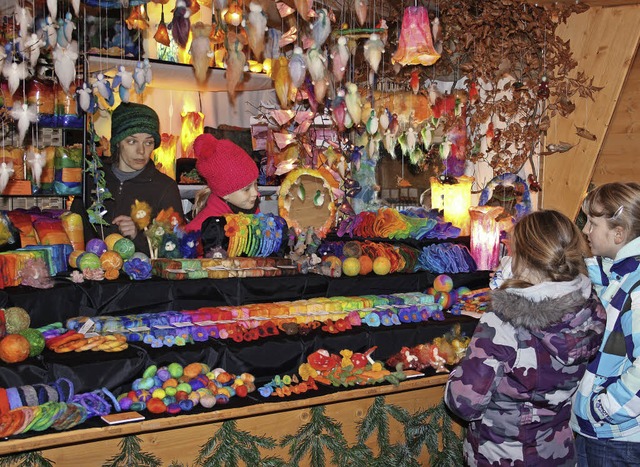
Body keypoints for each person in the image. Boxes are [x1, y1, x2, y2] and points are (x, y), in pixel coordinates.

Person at [445, 209, 606, 467]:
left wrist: (458, 369)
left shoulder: (502, 322)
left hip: (503, 456)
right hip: (557, 453)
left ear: (523, 258)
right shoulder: (589, 310)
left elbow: (464, 402)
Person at [571, 182, 640, 466]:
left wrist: (601, 407)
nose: (586, 230)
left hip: (619, 438)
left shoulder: (636, 289)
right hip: (597, 432)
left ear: (618, 233)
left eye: (593, 222)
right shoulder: (619, 274)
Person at [73, 102, 184, 256]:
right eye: (132, 141)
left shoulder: (164, 188)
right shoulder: (92, 178)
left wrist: (138, 237)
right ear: (117, 142)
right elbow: (74, 231)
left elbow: (176, 248)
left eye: (148, 142)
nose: (141, 151)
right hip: (90, 274)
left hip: (142, 277)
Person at [185, 133, 260, 232]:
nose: (256, 193)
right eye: (246, 189)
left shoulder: (250, 209)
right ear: (225, 194)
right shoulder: (204, 229)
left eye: (256, 184)